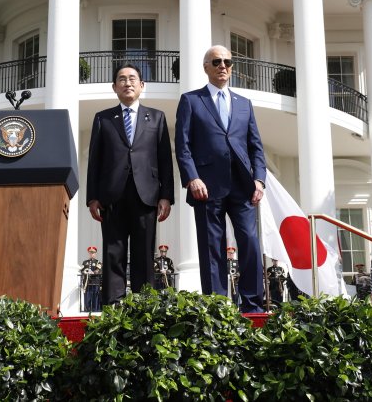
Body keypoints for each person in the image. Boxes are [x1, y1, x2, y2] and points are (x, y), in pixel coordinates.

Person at [175, 45, 267, 313]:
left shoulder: (244, 104)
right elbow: (182, 145)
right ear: (206, 67)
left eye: (227, 61)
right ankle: (217, 307)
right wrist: (192, 178)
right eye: (216, 62)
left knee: (249, 243)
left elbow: (256, 146)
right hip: (206, 186)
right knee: (211, 248)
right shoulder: (191, 100)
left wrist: (259, 180)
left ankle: (252, 305)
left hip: (243, 186)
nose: (223, 66)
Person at [87, 63, 174, 304]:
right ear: (114, 87)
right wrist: (92, 197)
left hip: (146, 194)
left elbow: (165, 160)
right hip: (111, 196)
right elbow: (94, 161)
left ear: (142, 85)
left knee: (143, 253)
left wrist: (166, 196)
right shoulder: (103, 118)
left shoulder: (156, 117)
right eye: (122, 79)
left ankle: (143, 304)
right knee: (112, 252)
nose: (128, 83)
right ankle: (114, 306)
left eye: (133, 78)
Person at [80, 246, 103, 312]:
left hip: (95, 283)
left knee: (95, 297)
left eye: (93, 253)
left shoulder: (98, 262)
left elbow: (98, 271)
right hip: (87, 283)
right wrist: (84, 271)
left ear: (95, 253)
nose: (91, 254)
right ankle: (87, 310)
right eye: (90, 253)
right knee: (87, 297)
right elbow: (82, 270)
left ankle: (95, 310)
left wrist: (92, 272)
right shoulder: (85, 262)